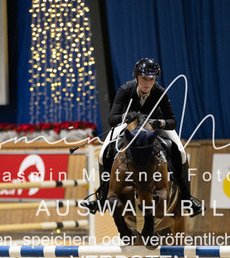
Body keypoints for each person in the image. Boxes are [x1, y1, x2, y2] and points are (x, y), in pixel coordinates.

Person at [82, 57, 205, 217]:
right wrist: (126, 116)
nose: (147, 83)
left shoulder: (160, 92)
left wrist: (159, 122)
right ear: (136, 77)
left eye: (151, 79)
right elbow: (112, 119)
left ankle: (188, 199)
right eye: (144, 78)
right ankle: (102, 197)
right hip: (129, 127)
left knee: (180, 152)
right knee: (103, 153)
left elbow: (172, 121)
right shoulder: (125, 90)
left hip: (154, 128)